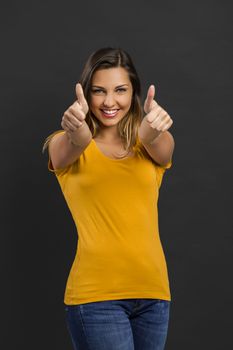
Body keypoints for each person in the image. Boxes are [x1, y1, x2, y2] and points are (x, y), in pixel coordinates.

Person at [42, 47, 175, 350]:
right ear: (86, 94)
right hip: (96, 298)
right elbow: (72, 145)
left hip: (154, 296)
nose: (110, 101)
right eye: (98, 91)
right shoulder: (63, 145)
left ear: (134, 93)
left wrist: (149, 133)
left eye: (120, 90)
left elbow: (161, 147)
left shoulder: (152, 144)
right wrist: (77, 133)